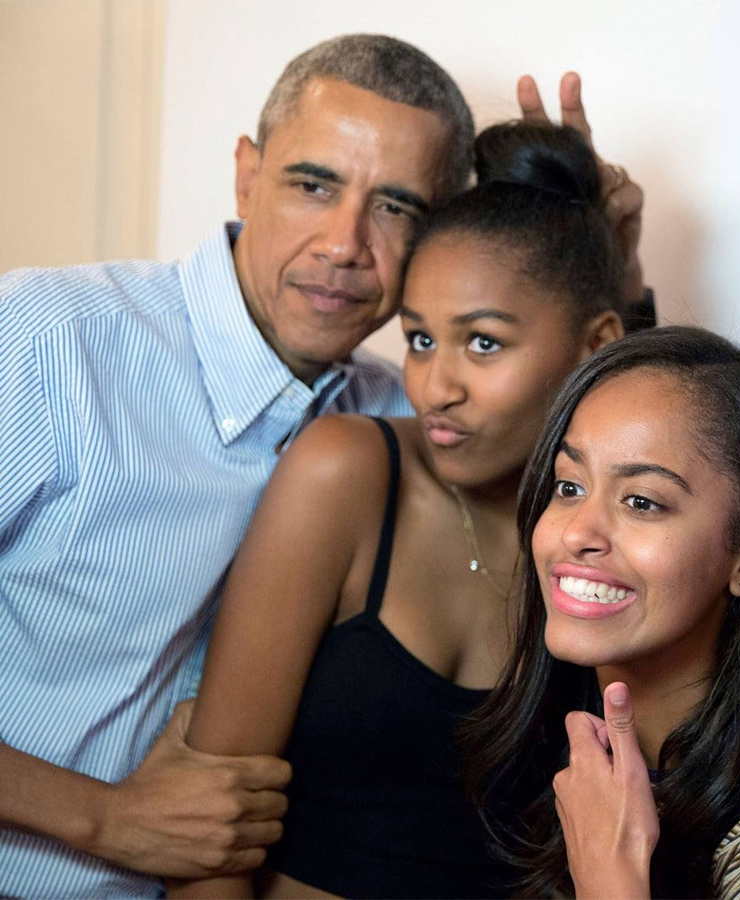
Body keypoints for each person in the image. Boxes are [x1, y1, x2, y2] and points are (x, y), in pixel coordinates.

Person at [0, 33, 645, 898]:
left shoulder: (397, 415)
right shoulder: (50, 341)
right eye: (313, 184)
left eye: (394, 207)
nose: (345, 243)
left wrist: (599, 259)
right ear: (245, 174)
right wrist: (105, 816)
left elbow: (582, 430)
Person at [172, 119, 632, 899]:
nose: (435, 388)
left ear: (596, 346)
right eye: (419, 341)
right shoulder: (346, 473)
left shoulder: (615, 531)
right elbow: (209, 830)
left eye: (482, 344)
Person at [466, 326, 740, 899]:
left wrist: (613, 881)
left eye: (642, 502)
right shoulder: (548, 760)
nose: (578, 533)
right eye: (569, 486)